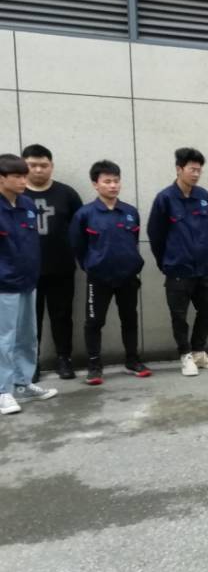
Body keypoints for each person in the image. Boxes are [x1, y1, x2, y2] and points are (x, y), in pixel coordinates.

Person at [69, 160, 151, 385]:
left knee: (130, 319)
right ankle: (94, 366)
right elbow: (77, 246)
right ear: (95, 184)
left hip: (127, 277)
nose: (113, 185)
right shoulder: (85, 214)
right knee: (94, 322)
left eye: (116, 181)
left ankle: (132, 361)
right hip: (99, 279)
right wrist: (92, 265)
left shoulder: (130, 212)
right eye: (107, 181)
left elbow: (133, 241)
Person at [146, 147, 208, 376]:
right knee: (179, 316)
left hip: (202, 268)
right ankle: (185, 355)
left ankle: (198, 352)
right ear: (179, 169)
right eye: (192, 169)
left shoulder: (203, 196)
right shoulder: (165, 198)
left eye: (199, 170)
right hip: (178, 269)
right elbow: (155, 234)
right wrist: (166, 262)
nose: (196, 174)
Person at [0, 154, 58, 415]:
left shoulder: (27, 204)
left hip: (27, 281)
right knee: (4, 339)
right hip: (3, 285)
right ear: (1, 178)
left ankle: (23, 383)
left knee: (27, 336)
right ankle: (3, 390)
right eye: (17, 176)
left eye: (24, 176)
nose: (24, 181)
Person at [22, 144, 82, 380]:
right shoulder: (16, 194)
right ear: (24, 166)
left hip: (61, 268)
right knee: (29, 320)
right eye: (32, 165)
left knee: (62, 316)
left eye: (43, 165)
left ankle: (64, 359)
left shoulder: (67, 194)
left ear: (51, 166)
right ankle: (31, 363)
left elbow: (81, 228)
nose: (38, 170)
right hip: (27, 271)